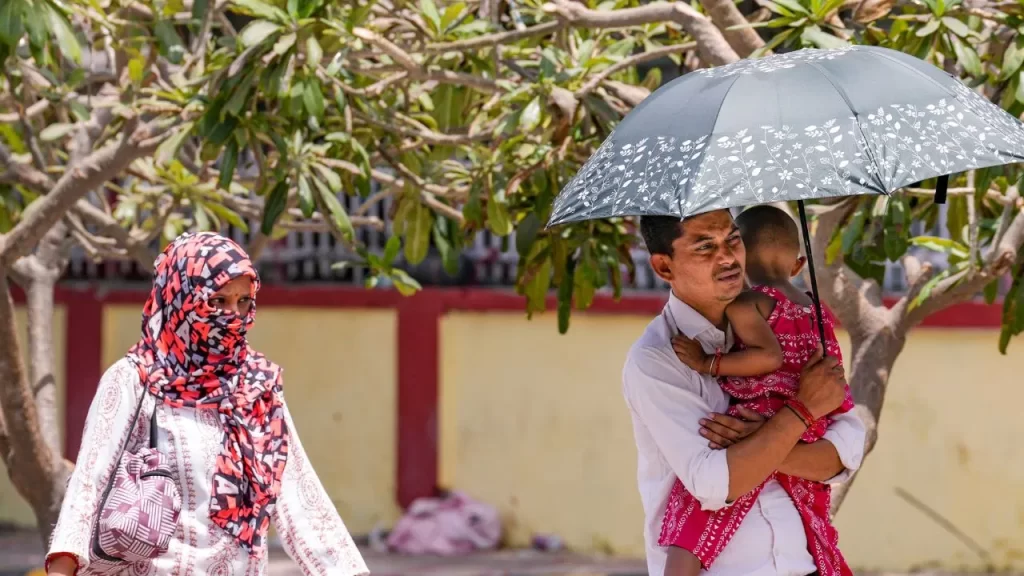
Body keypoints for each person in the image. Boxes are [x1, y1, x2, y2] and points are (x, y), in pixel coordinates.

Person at [46, 232, 369, 576]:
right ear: (182, 299)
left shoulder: (255, 388)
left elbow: (299, 499)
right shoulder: (135, 379)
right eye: (218, 301)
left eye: (243, 301)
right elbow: (89, 482)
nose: (233, 316)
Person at [622, 209, 866, 576]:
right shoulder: (658, 359)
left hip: (805, 564)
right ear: (664, 267)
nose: (727, 258)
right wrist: (798, 417)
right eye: (705, 247)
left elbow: (843, 453)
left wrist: (764, 442)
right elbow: (715, 482)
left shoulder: (789, 319)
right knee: (691, 521)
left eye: (733, 240)